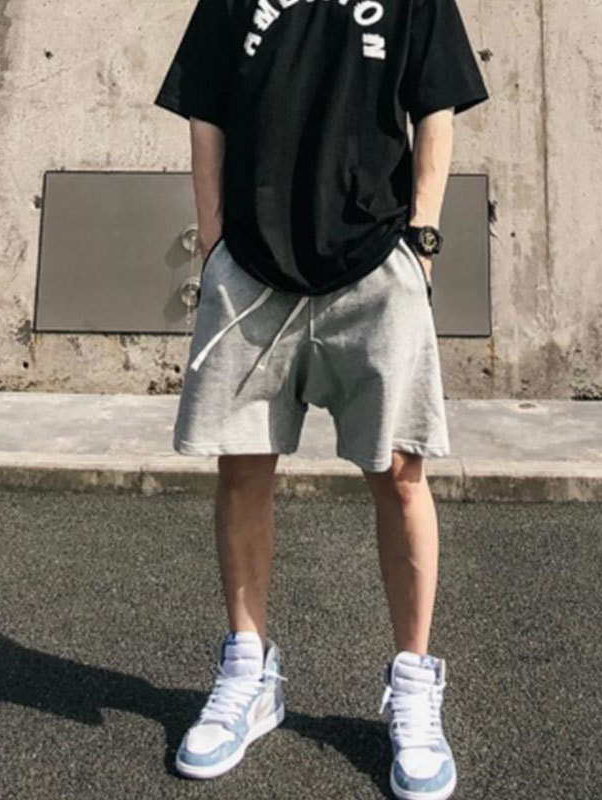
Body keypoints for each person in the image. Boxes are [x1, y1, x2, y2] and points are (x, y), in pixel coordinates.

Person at [154, 0, 489, 795]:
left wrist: (423, 243)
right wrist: (215, 242)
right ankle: (250, 670)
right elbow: (205, 110)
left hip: (376, 263)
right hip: (251, 267)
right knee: (243, 467)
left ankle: (413, 684)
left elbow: (435, 108)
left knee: (400, 474)